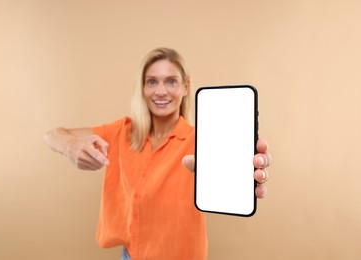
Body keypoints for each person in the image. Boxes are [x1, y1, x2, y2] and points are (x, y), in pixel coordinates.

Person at [44, 47, 271, 260]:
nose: (160, 91)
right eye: (152, 82)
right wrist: (71, 147)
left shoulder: (200, 140)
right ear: (142, 88)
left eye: (171, 81)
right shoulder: (122, 132)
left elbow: (225, 169)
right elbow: (53, 135)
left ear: (185, 86)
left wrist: (243, 171)